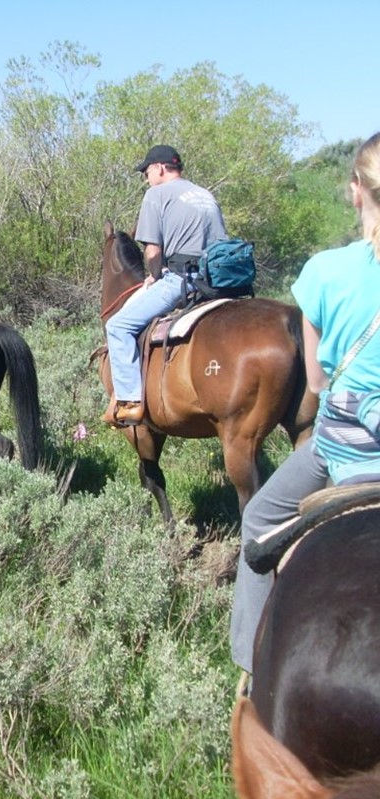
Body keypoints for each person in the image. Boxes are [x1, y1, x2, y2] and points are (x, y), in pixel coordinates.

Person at [230, 131, 380, 677]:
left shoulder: (324, 271)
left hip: (340, 451)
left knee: (260, 522)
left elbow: (315, 381)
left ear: (355, 191)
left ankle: (249, 667)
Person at [102, 145, 227, 426]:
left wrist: (156, 275)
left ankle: (129, 402)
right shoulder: (205, 194)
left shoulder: (156, 195)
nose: (146, 179)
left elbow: (153, 252)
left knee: (118, 326)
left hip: (184, 279)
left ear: (159, 168)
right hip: (219, 280)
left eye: (146, 172)